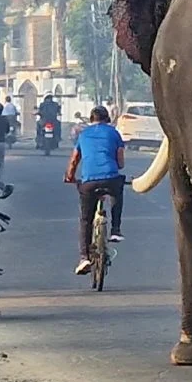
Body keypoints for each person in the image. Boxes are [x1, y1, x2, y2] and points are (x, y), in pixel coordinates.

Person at [63, 105, 126, 275]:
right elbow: (120, 163)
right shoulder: (114, 133)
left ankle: (84, 258)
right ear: (107, 119)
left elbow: (75, 159)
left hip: (89, 183)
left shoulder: (83, 135)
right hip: (111, 179)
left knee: (85, 219)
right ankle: (115, 230)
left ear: (91, 120)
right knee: (117, 194)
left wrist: (70, 177)